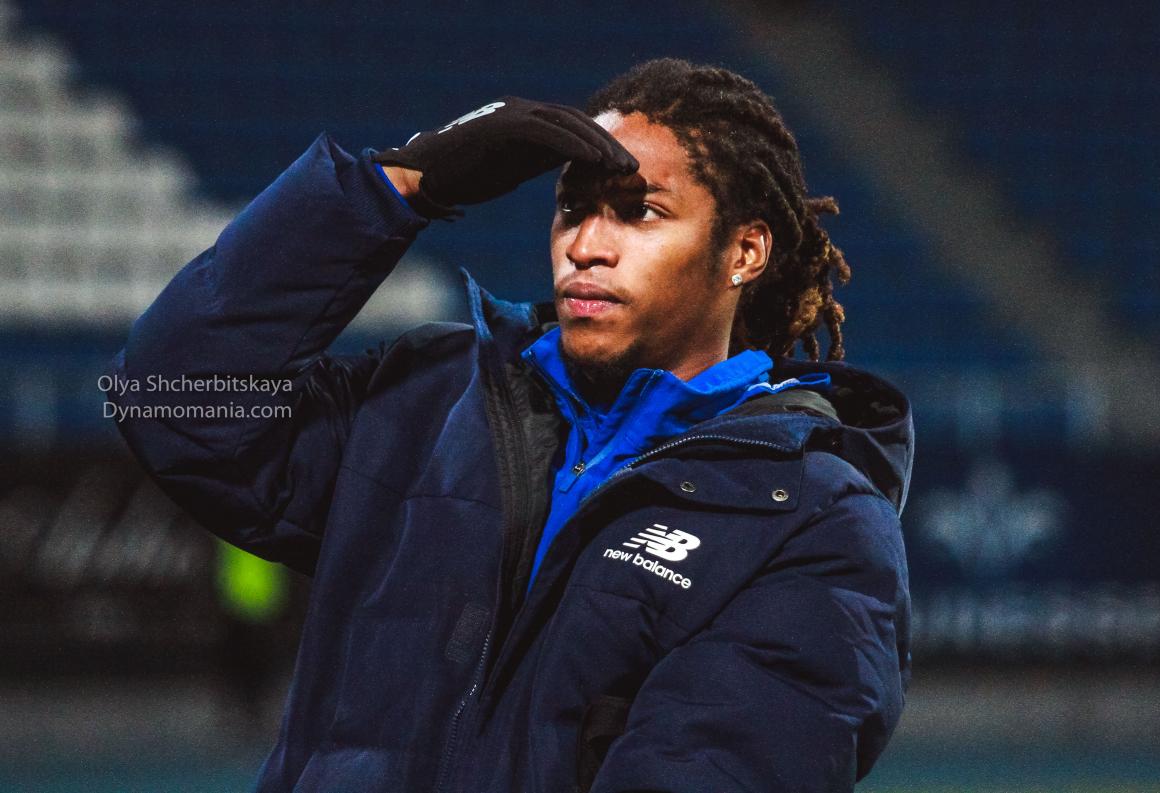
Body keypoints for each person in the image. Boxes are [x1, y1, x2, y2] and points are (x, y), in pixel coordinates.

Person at [104, 58, 913, 793]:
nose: (586, 246)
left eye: (638, 213)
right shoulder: (427, 399)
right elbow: (171, 400)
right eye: (572, 209)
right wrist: (394, 186)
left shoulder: (812, 519)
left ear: (744, 252)